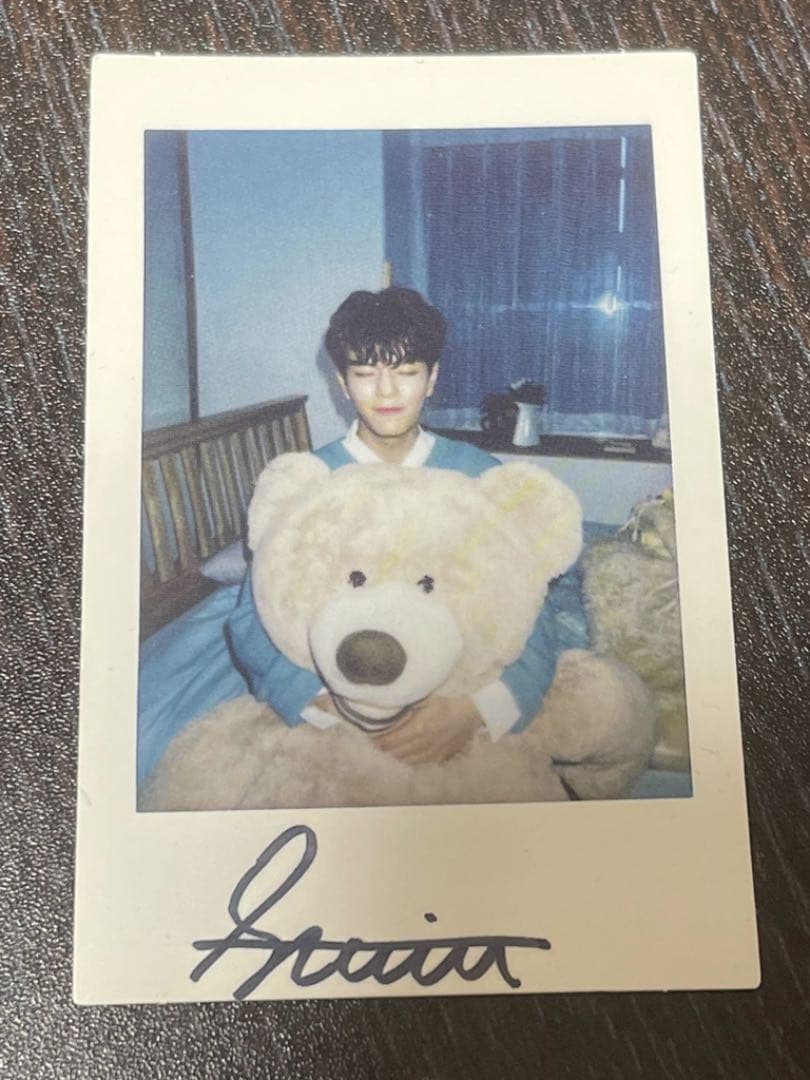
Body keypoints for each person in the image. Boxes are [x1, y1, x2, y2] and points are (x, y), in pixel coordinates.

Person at [226, 287, 561, 766]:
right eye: (365, 374)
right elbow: (252, 616)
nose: (386, 392)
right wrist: (316, 703)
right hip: (341, 697)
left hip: (458, 693)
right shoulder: (312, 484)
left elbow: (534, 610)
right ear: (343, 384)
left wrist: (477, 710)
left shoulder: (477, 477)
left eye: (406, 373)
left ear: (432, 378)